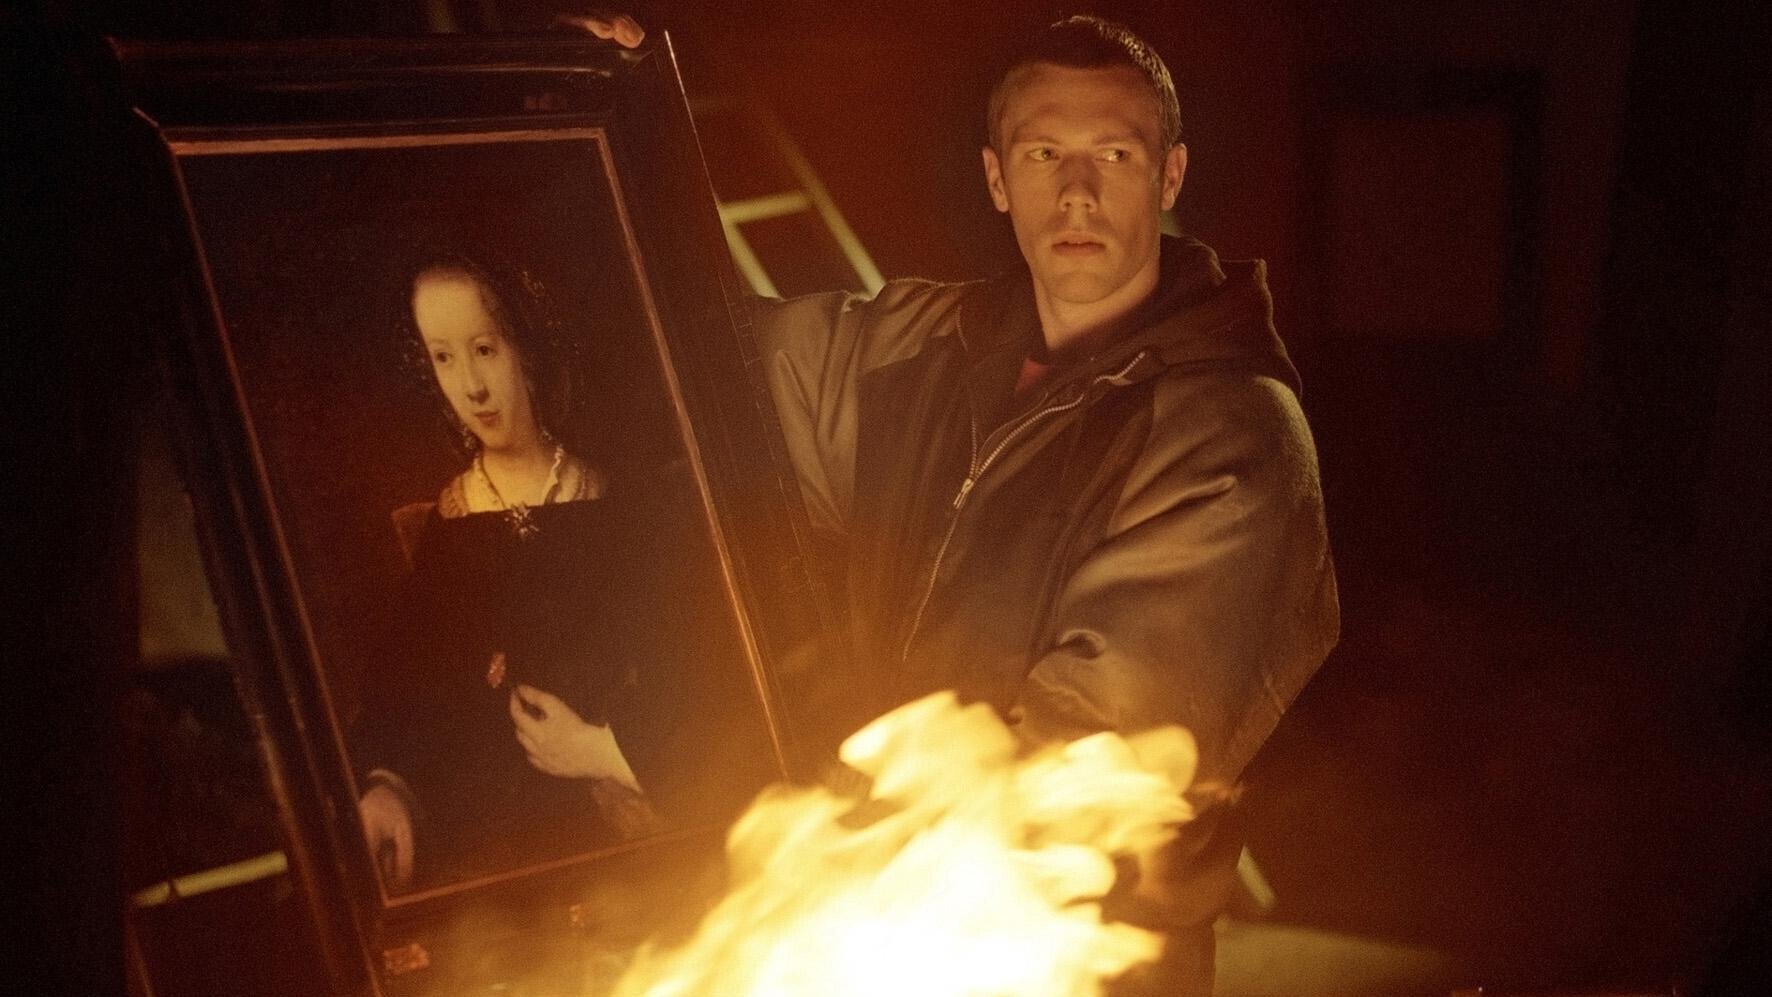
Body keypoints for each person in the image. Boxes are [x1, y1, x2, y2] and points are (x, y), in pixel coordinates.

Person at [574, 13, 1339, 994]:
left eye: (1114, 154)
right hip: (873, 919)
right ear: (996, 178)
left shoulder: (1232, 432)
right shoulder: (917, 345)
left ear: (1169, 175)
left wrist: (809, 911)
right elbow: (691, 366)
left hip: (1065, 961)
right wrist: (609, 112)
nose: (1076, 190)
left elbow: (1074, 770)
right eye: (1042, 154)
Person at [356, 256, 666, 893]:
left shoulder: (614, 503)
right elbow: (412, 693)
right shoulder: (446, 525)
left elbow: (679, 663)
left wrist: (600, 749)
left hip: (624, 832)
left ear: (525, 346)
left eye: (484, 350)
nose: (470, 386)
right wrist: (389, 788)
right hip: (495, 843)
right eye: (444, 358)